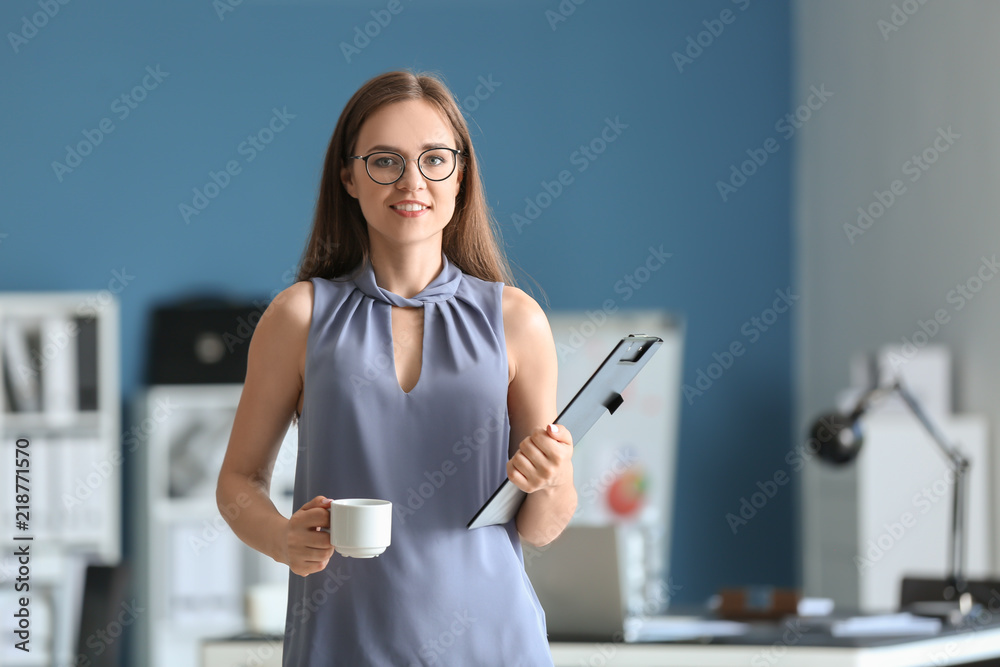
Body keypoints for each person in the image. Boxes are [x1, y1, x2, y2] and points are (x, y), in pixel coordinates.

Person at [216, 70, 577, 666]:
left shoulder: (517, 320)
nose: (412, 181)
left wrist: (555, 476)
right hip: (344, 646)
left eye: (434, 159)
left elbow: (538, 528)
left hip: (495, 643)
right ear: (349, 177)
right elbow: (237, 483)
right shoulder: (298, 318)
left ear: (460, 175)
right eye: (385, 161)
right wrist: (283, 539)